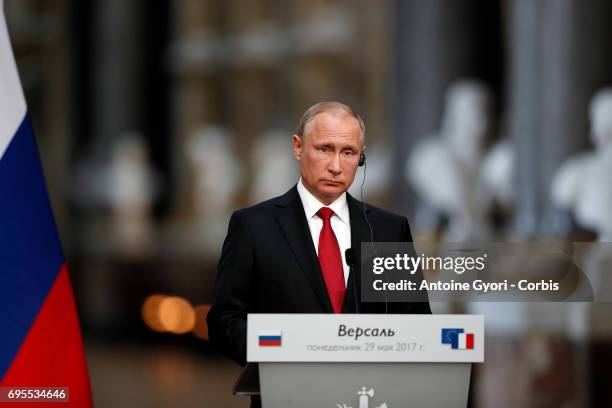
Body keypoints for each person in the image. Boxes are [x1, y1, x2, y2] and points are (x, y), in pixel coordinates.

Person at [207, 101, 431, 407]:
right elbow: (223, 321)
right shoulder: (254, 227)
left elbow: (416, 323)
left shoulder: (389, 231)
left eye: (348, 152)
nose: (336, 166)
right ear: (298, 148)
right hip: (286, 396)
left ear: (361, 157)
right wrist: (280, 346)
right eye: (324, 149)